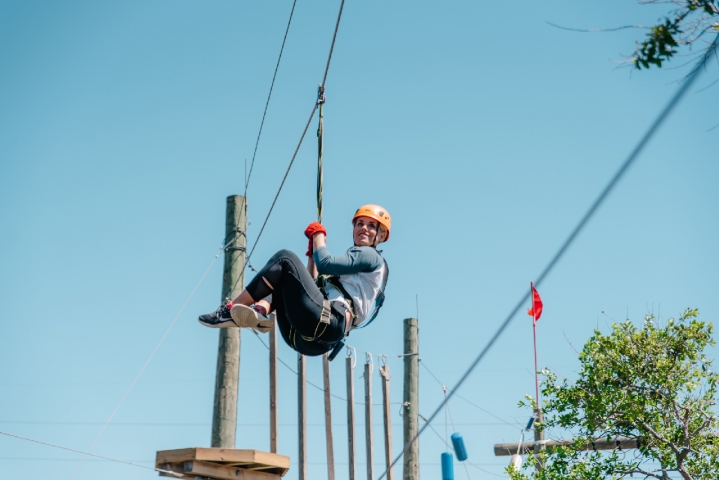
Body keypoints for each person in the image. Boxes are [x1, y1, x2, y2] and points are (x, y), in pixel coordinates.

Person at [198, 204, 391, 358]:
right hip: (310, 340)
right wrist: (311, 255)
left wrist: (318, 235)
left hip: (326, 323)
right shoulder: (353, 274)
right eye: (360, 223)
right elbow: (312, 285)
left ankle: (230, 310)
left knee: (285, 258)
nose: (364, 228)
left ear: (381, 235)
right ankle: (259, 311)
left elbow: (325, 263)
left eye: (371, 225)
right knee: (285, 279)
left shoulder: (370, 256)